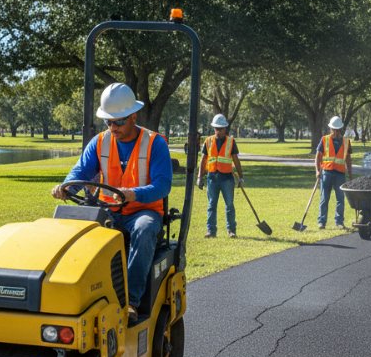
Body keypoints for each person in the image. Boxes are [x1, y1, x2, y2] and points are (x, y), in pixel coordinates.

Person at [51, 83, 172, 322]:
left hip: (142, 210)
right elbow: (80, 172)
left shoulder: (155, 143)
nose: (113, 127)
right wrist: (66, 188)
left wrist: (133, 194)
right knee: (71, 226)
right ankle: (70, 294)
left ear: (133, 117)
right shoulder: (99, 142)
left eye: (118, 122)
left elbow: (162, 185)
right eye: (108, 122)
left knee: (145, 229)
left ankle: (130, 302)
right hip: (107, 210)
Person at [197, 114, 244, 238]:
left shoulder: (231, 141)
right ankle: (211, 231)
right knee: (211, 205)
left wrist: (241, 177)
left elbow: (236, 160)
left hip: (227, 179)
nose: (218, 131)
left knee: (229, 205)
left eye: (221, 128)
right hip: (212, 178)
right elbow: (203, 160)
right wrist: (199, 177)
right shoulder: (208, 141)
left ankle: (231, 230)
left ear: (225, 129)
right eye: (216, 128)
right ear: (214, 128)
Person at [315, 116, 353, 230]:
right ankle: (322, 222)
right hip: (326, 173)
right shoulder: (324, 139)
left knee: (340, 199)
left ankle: (339, 222)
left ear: (341, 129)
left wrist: (350, 174)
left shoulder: (346, 142)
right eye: (334, 129)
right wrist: (317, 171)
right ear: (331, 129)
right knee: (324, 198)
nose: (335, 131)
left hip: (340, 174)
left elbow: (348, 160)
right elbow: (318, 157)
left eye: (337, 129)